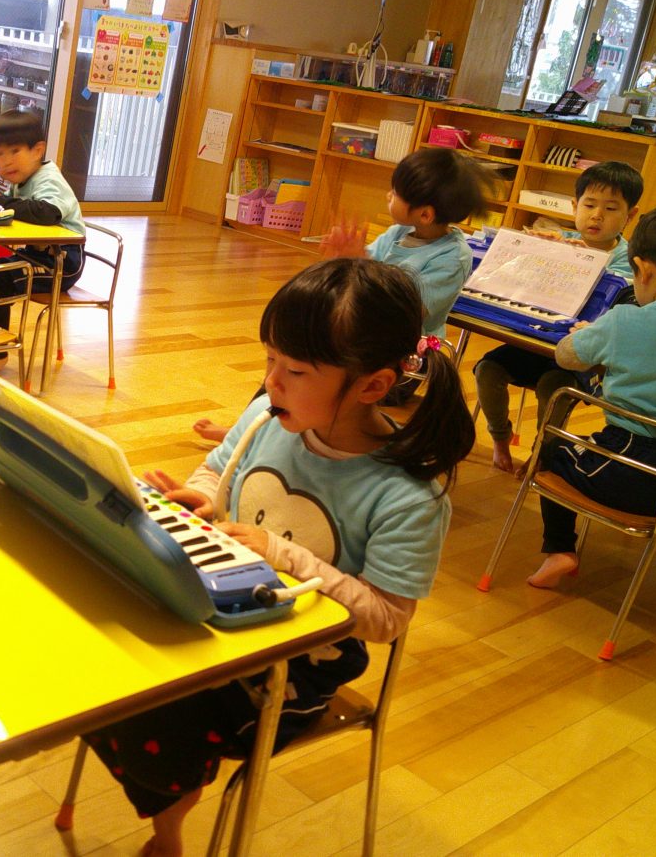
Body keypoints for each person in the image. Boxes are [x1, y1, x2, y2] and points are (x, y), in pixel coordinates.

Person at [85, 258, 474, 857]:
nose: (271, 382)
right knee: (100, 645)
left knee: (154, 713)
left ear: (372, 386)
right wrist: (202, 501)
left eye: (294, 370)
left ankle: (168, 837)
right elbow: (217, 472)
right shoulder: (268, 418)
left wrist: (283, 554)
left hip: (296, 668)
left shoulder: (409, 494)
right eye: (270, 359)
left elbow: (387, 619)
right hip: (221, 610)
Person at [194, 147, 486, 443]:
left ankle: (268, 436)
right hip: (359, 337)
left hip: (402, 358)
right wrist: (344, 263)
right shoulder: (397, 234)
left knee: (313, 373)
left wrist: (361, 262)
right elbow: (355, 286)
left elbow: (403, 311)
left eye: (396, 193)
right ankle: (248, 430)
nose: (388, 195)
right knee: (295, 355)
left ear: (425, 214)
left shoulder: (453, 257)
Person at [473, 161, 643, 473]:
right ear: (575, 206)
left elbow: (617, 306)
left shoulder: (628, 261)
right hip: (536, 341)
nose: (597, 215)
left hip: (582, 358)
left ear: (630, 215)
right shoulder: (558, 239)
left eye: (610, 208)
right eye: (589, 205)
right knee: (487, 370)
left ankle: (543, 452)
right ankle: (500, 437)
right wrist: (540, 252)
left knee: (553, 385)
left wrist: (586, 262)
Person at [524, 206, 656, 589]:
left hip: (628, 463)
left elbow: (566, 355)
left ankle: (560, 549)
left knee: (550, 449)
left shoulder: (625, 320)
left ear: (643, 271)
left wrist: (592, 332)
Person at [0, 110, 86, 351]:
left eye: (14, 151)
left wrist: (2, 201)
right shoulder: (23, 179)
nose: (6, 161)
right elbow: (15, 211)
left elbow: (47, 212)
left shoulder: (48, 178)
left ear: (38, 150)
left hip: (61, 264)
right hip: (35, 256)